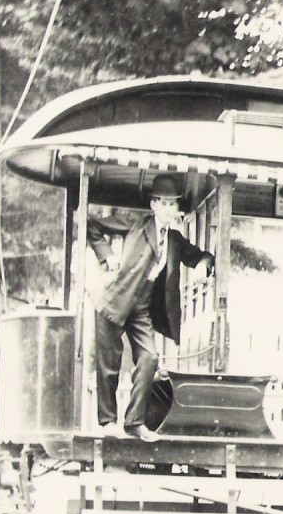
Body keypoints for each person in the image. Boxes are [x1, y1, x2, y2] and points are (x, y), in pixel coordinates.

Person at [87, 174, 215, 442]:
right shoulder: (136, 223)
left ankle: (134, 422)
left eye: (174, 205)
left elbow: (202, 256)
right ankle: (107, 422)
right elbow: (94, 225)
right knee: (109, 365)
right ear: (154, 205)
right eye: (165, 204)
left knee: (150, 358)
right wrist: (107, 256)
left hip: (142, 307)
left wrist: (204, 264)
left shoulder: (175, 240)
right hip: (114, 301)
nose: (171, 210)